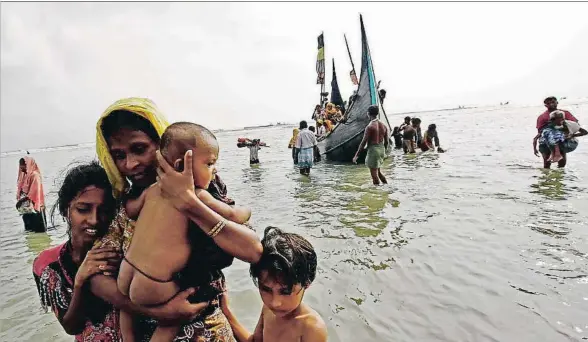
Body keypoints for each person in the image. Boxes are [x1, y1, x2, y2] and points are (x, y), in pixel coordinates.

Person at [91, 97, 262, 341]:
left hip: (207, 331)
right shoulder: (124, 204)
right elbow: (96, 276)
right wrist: (163, 311)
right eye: (118, 155)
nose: (130, 164)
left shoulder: (205, 187)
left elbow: (253, 250)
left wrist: (190, 204)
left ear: (163, 146)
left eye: (139, 149)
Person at [33, 161, 121, 341]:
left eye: (104, 210)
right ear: (66, 210)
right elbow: (71, 326)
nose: (94, 220)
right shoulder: (49, 265)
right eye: (83, 209)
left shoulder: (124, 254)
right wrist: (80, 281)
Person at [221, 227, 327, 342]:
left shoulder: (311, 327)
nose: (275, 302)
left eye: (285, 291)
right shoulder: (268, 309)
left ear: (306, 284)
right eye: (266, 289)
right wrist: (226, 312)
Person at [533, 96, 580, 168]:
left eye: (553, 102)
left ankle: (560, 178)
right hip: (545, 142)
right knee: (546, 163)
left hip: (561, 140)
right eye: (548, 103)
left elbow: (575, 126)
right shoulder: (542, 117)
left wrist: (571, 135)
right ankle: (546, 177)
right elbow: (540, 132)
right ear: (546, 105)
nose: (551, 104)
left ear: (557, 102)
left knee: (562, 163)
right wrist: (535, 147)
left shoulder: (565, 113)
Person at [353, 105, 389, 185]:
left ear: (368, 114)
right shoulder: (383, 125)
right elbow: (386, 142)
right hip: (381, 149)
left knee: (374, 176)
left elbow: (363, 142)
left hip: (373, 151)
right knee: (378, 172)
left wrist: (356, 155)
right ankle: (386, 186)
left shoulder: (369, 127)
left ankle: (377, 194)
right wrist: (384, 152)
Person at [16, 156, 47, 232]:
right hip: (27, 208)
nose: (21, 167)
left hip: (36, 206)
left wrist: (23, 199)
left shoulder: (35, 175)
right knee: (29, 230)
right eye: (20, 165)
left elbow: (35, 192)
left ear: (28, 164)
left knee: (39, 231)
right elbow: (21, 189)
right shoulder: (24, 175)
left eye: (23, 164)